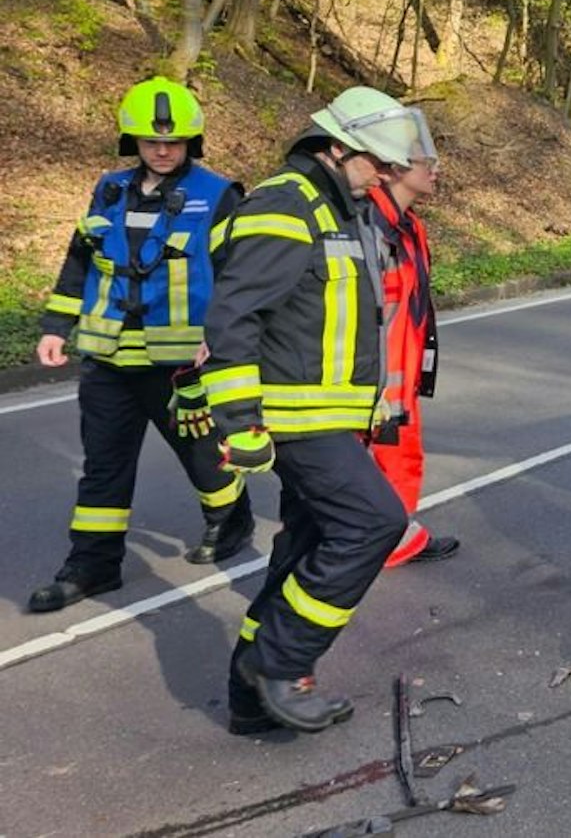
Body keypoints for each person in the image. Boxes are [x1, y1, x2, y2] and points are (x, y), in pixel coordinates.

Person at [202, 86, 424, 735]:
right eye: (376, 162)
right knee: (373, 522)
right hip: (295, 419)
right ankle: (280, 662)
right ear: (336, 147)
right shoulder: (286, 204)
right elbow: (234, 317)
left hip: (332, 417)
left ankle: (249, 700)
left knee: (303, 549)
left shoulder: (339, 208)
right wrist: (240, 420)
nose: (384, 175)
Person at [29, 77, 253, 613]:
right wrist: (56, 326)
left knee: (202, 454)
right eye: (152, 141)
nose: (162, 150)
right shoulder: (108, 190)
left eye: (174, 142)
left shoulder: (218, 195)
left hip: (180, 363)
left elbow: (237, 277)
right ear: (132, 140)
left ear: (191, 142)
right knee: (104, 465)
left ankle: (230, 518)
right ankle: (93, 565)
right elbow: (80, 262)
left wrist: (221, 341)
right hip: (107, 358)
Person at [368, 115, 458, 567]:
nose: (435, 166)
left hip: (400, 373)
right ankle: (380, 541)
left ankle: (393, 535)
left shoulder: (408, 227)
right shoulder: (367, 226)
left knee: (401, 460)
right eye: (425, 159)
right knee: (367, 466)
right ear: (393, 166)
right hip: (372, 378)